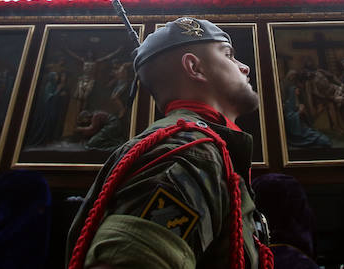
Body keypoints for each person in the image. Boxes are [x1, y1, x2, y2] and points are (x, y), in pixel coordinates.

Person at [66, 17, 271, 269]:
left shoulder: (197, 147)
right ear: (195, 68)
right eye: (228, 55)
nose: (244, 68)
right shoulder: (185, 154)